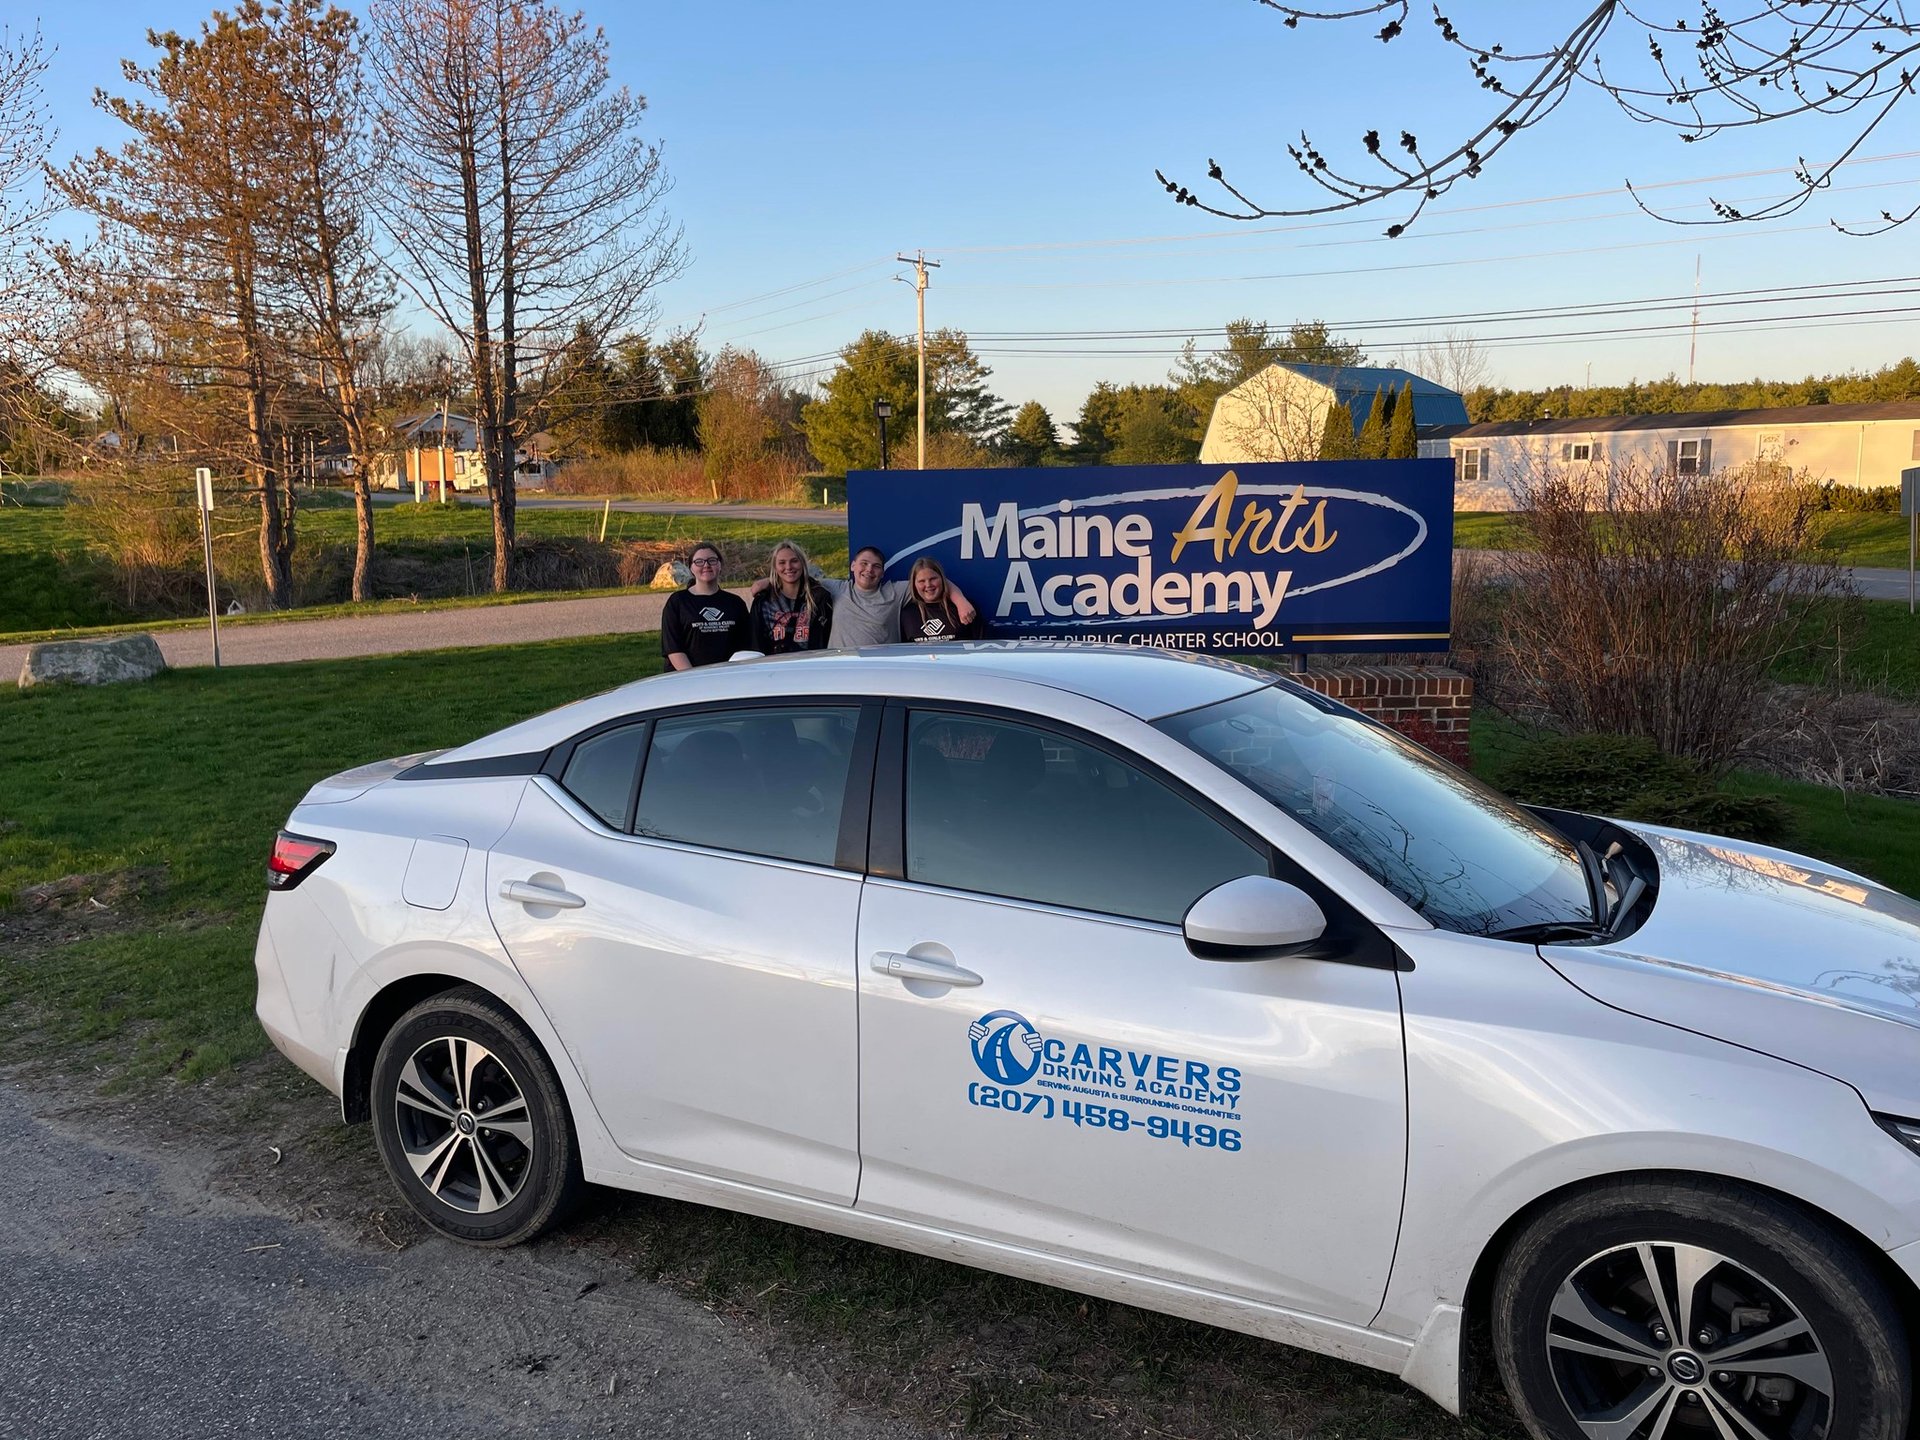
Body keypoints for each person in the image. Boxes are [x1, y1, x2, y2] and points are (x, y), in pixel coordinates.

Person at [772, 545, 975, 649]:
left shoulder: (896, 592)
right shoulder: (835, 588)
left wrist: (961, 602)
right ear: (852, 566)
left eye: (876, 566)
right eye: (864, 564)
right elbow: (794, 575)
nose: (869, 570)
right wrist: (767, 582)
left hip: (881, 672)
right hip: (841, 668)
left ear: (882, 573)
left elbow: (933, 580)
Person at [660, 541, 750, 670]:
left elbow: (746, 647)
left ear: (720, 565)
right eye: (699, 561)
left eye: (712, 560)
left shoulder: (735, 603)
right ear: (691, 568)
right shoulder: (678, 602)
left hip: (727, 678)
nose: (706, 565)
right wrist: (693, 677)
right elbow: (673, 648)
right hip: (686, 679)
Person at [749, 539, 835, 654]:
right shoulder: (763, 601)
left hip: (811, 667)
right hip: (773, 667)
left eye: (794, 561)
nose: (788, 567)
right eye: (782, 562)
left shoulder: (819, 598)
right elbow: (755, 643)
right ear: (775, 567)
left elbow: (826, 638)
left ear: (803, 563)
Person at [899, 556, 983, 643]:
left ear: (942, 579)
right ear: (914, 584)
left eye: (933, 579)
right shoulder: (906, 614)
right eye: (922, 581)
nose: (928, 585)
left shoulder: (965, 609)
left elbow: (980, 646)